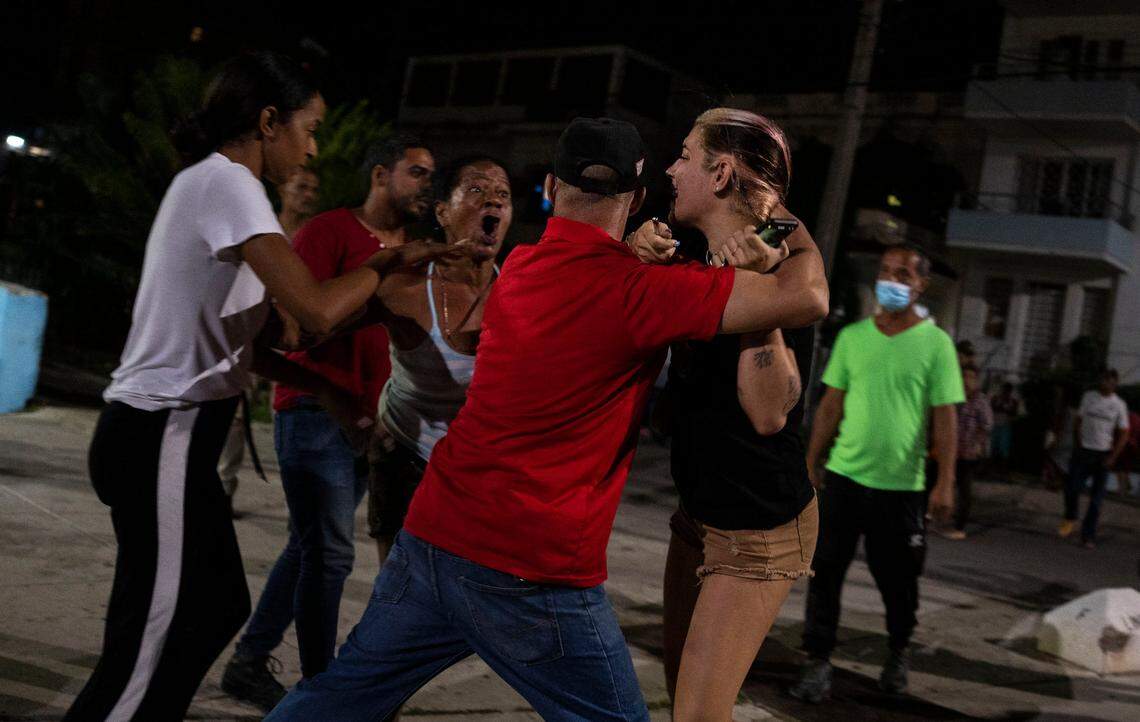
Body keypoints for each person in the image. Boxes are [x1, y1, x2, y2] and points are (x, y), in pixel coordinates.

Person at [266, 116, 828, 722]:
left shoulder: (521, 273)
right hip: (532, 571)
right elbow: (806, 296)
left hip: (433, 539)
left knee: (334, 700)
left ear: (551, 192)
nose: (673, 169)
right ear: (635, 200)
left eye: (685, 156)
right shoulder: (644, 291)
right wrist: (780, 219)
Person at [63, 52, 471, 722]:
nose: (310, 147)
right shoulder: (230, 182)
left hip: (170, 439)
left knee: (219, 601)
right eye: (307, 129)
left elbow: (273, 337)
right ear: (267, 121)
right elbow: (312, 310)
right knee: (146, 644)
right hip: (162, 430)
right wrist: (388, 262)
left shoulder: (219, 190)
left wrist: (374, 322)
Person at [221, 136, 437, 710]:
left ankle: (249, 660)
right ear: (380, 174)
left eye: (430, 175)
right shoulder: (330, 233)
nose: (425, 184)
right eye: (415, 173)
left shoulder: (417, 251)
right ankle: (324, 693)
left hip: (376, 421)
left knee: (309, 548)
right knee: (332, 554)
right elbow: (295, 322)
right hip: (316, 412)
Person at [626, 108, 824, 720]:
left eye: (685, 154)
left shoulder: (782, 272)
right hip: (700, 514)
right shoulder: (690, 248)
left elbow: (767, 416)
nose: (670, 167)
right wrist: (634, 253)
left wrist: (757, 290)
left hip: (756, 529)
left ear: (721, 173)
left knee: (698, 713)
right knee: (681, 684)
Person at [789, 244, 964, 703]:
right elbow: (831, 406)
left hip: (902, 489)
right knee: (825, 573)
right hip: (845, 479)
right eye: (886, 272)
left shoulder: (937, 344)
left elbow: (946, 418)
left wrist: (945, 483)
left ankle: (898, 652)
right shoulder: (853, 337)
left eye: (903, 274)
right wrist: (812, 461)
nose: (892, 280)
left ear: (921, 284)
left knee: (899, 583)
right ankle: (817, 660)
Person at [367, 155, 511, 561]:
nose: (494, 203)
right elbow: (318, 327)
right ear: (444, 213)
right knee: (398, 597)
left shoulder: (519, 294)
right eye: (478, 191)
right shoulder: (407, 287)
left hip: (472, 472)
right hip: (404, 455)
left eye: (503, 195)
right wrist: (342, 403)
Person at [218, 168, 320, 515]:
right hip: (253, 331)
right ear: (284, 190)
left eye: (313, 189)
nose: (308, 194)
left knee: (290, 406)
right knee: (234, 412)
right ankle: (223, 486)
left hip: (294, 340)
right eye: (302, 186)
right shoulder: (265, 231)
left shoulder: (315, 238)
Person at [1059, 369, 1130, 548]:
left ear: (1115, 384)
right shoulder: (1089, 396)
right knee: (1071, 488)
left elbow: (1124, 433)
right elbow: (1078, 420)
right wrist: (1078, 442)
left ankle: (1088, 536)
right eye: (1103, 379)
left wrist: (1113, 456)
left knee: (1096, 500)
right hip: (1084, 451)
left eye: (1109, 381)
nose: (1105, 383)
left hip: (1103, 454)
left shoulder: (1119, 405)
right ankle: (1071, 516)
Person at [942, 363, 992, 540]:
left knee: (964, 489)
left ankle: (959, 527)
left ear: (976, 381)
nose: (966, 381)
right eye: (963, 376)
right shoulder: (957, 398)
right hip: (953, 450)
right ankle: (941, 518)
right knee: (946, 483)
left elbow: (986, 426)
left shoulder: (980, 401)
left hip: (969, 453)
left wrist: (976, 446)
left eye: (970, 377)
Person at [989, 381, 1020, 477]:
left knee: (1004, 450)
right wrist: (1002, 407)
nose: (1006, 392)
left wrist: (1004, 409)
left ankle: (1002, 471)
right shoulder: (996, 398)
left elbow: (1014, 413)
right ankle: (989, 470)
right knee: (992, 448)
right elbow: (991, 408)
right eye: (1005, 390)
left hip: (1005, 426)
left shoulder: (1013, 401)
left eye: (1008, 390)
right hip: (995, 425)